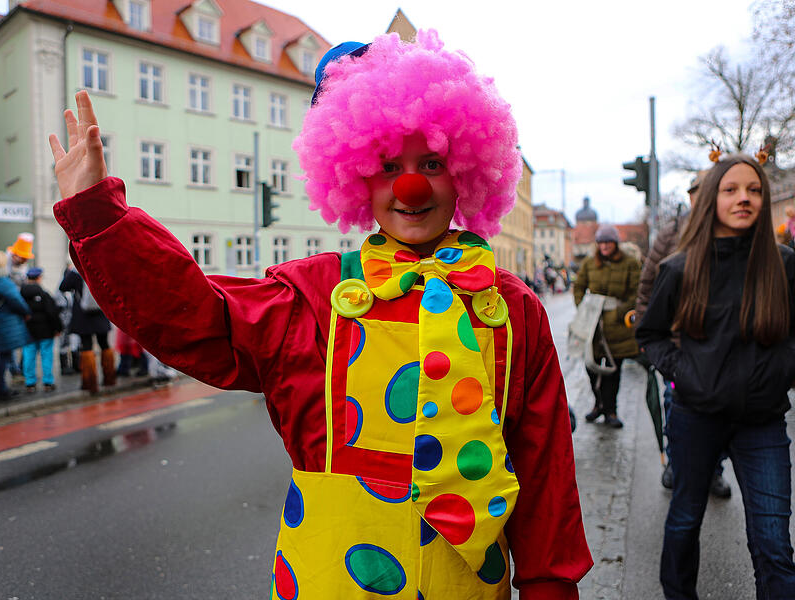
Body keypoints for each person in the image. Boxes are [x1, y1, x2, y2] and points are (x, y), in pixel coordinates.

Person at [48, 31, 592, 598]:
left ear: (465, 170)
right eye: (386, 165)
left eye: (430, 161)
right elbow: (197, 317)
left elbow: (545, 468)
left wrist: (550, 587)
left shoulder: (511, 307)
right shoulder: (315, 293)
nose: (409, 186)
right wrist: (98, 216)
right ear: (355, 174)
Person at [636, 153, 795, 599]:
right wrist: (687, 374)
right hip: (695, 416)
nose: (744, 198)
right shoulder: (680, 267)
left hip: (762, 421)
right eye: (731, 189)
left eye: (755, 189)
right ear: (712, 199)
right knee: (685, 521)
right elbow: (649, 335)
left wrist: (779, 371)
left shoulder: (783, 264)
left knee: (773, 542)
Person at [635, 173, 731, 498]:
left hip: (721, 347)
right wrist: (646, 332)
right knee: (674, 403)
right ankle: (676, 463)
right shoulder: (672, 233)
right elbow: (648, 282)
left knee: (720, 412)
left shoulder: (733, 231)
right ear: (690, 198)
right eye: (696, 193)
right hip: (678, 344)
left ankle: (714, 471)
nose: (701, 198)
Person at [573, 224, 640, 428]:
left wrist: (619, 313)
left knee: (613, 370)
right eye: (601, 242)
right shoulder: (589, 262)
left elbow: (636, 292)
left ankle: (611, 410)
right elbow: (578, 287)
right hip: (593, 323)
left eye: (608, 242)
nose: (604, 246)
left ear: (615, 243)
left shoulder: (630, 263)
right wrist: (583, 308)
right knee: (591, 366)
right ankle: (598, 404)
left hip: (617, 326)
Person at [58, 265, 115, 394]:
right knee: (104, 344)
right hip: (100, 311)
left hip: (83, 315)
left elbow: (63, 287)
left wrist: (72, 270)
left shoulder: (76, 271)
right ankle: (110, 378)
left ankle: (90, 383)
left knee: (87, 346)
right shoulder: (97, 265)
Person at [0, 251, 31, 402]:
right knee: (3, 356)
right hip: (5, 325)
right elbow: (17, 301)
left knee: (3, 355)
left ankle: (1, 386)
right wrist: (27, 312)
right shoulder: (3, 282)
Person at [20, 267, 63, 392]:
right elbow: (52, 313)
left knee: (28, 356)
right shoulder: (44, 295)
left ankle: (30, 383)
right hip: (45, 331)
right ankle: (48, 382)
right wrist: (58, 328)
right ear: (39, 278)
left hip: (27, 331)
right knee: (47, 356)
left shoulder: (20, 295)